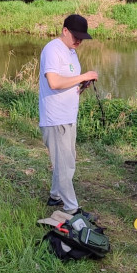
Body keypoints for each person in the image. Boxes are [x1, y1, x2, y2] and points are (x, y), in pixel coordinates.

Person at [39, 14, 98, 215]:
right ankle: (72, 209)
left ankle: (55, 196)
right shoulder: (52, 50)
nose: (79, 40)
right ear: (65, 31)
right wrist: (83, 76)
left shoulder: (71, 51)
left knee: (66, 159)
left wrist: (82, 84)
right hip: (55, 117)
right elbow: (53, 82)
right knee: (64, 165)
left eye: (82, 37)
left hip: (68, 116)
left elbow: (67, 80)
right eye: (76, 36)